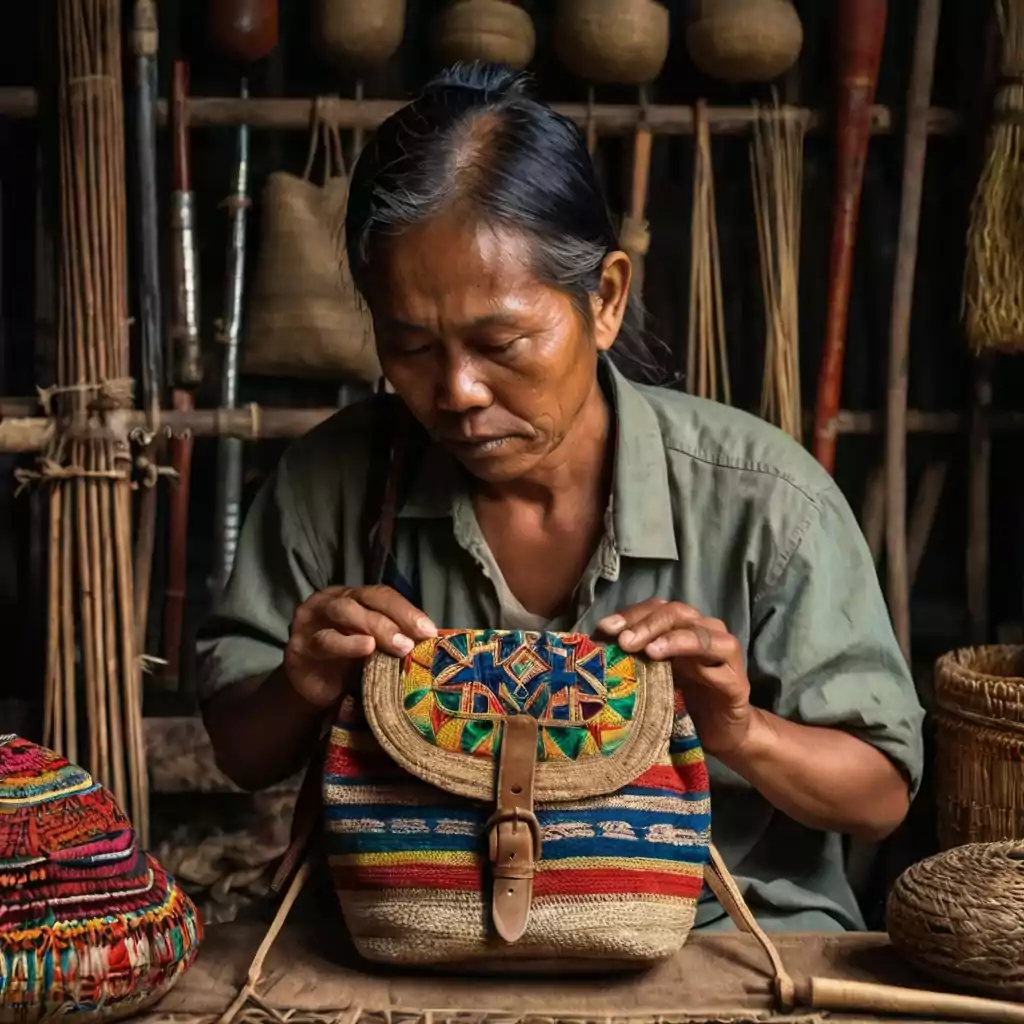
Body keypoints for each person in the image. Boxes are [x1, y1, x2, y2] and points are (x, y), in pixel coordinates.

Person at [198, 62, 924, 934]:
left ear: (605, 300)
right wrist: (302, 681)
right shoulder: (334, 482)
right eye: (412, 346)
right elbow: (241, 753)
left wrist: (737, 728)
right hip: (412, 936)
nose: (458, 389)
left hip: (716, 945)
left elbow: (880, 796)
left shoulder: (765, 502)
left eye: (500, 341)